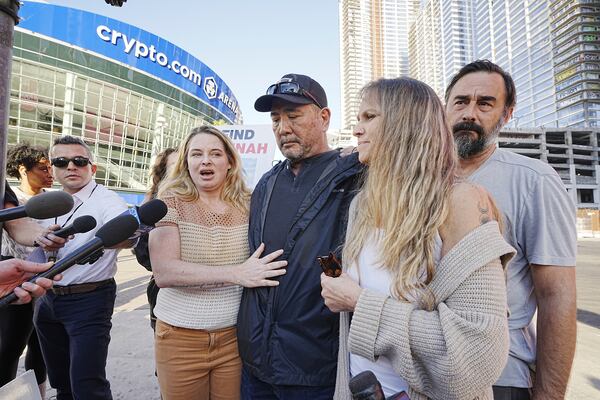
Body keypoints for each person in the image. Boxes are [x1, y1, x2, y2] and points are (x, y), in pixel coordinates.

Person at [321, 77, 514, 400]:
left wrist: (358, 302)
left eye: (369, 117)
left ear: (405, 124)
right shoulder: (362, 206)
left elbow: (480, 354)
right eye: (358, 119)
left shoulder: (459, 202)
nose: (357, 129)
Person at [444, 60, 577, 400]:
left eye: (485, 103)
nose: (469, 113)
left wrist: (549, 395)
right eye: (460, 102)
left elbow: (557, 298)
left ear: (507, 114)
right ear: (445, 109)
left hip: (501, 378)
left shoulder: (534, 181)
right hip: (424, 373)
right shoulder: (421, 180)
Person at [236, 74, 362, 399]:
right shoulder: (266, 183)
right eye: (276, 119)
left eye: (293, 116)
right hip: (256, 364)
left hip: (314, 366)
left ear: (324, 118)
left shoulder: (353, 176)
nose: (283, 128)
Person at [149, 126, 287, 400]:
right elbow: (164, 272)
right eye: (196, 154)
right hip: (179, 340)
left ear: (230, 162)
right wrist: (237, 274)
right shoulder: (169, 203)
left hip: (235, 340)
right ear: (186, 162)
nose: (205, 161)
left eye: (215, 154)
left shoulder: (250, 204)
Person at [33, 135, 131, 400]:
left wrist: (109, 240)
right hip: (47, 298)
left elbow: (128, 232)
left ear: (92, 167)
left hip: (90, 300)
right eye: (62, 161)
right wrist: (42, 240)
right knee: (61, 382)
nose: (71, 167)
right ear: (53, 168)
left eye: (79, 161)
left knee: (88, 385)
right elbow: (29, 240)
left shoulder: (108, 200)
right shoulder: (48, 201)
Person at [0, 144, 54, 396]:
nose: (50, 173)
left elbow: (17, 225)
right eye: (43, 168)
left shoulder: (51, 199)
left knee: (31, 348)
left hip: (22, 283)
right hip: (13, 277)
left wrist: (43, 236)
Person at [133, 147, 177, 330]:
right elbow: (141, 252)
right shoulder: (153, 205)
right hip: (163, 291)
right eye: (174, 166)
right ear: (164, 172)